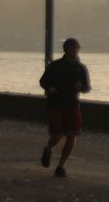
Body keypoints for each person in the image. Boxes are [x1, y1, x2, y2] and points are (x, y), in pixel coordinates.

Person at [39, 37, 91, 177]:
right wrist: (50, 88)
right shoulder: (55, 66)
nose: (75, 50)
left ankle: (61, 166)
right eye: (72, 48)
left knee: (72, 134)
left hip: (72, 104)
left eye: (76, 48)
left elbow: (87, 87)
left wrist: (82, 88)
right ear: (66, 50)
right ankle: (48, 148)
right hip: (55, 104)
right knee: (57, 135)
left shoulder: (81, 68)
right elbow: (43, 81)